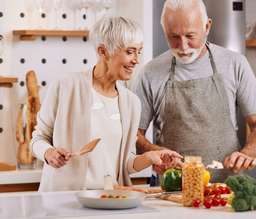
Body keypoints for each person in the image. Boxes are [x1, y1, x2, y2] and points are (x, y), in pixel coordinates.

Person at [30, 15, 181, 192]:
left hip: (108, 200)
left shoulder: (131, 103)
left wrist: (151, 157)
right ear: (103, 51)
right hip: (63, 201)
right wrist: (48, 153)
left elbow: (125, 163)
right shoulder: (66, 86)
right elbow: (38, 139)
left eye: (139, 51)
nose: (136, 60)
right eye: (130, 51)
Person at [135, 0, 256, 173]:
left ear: (207, 27)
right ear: (165, 31)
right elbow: (134, 135)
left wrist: (247, 154)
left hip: (228, 189)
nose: (183, 46)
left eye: (190, 36)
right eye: (174, 37)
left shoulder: (234, 64)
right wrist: (155, 152)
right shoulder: (150, 72)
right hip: (174, 190)